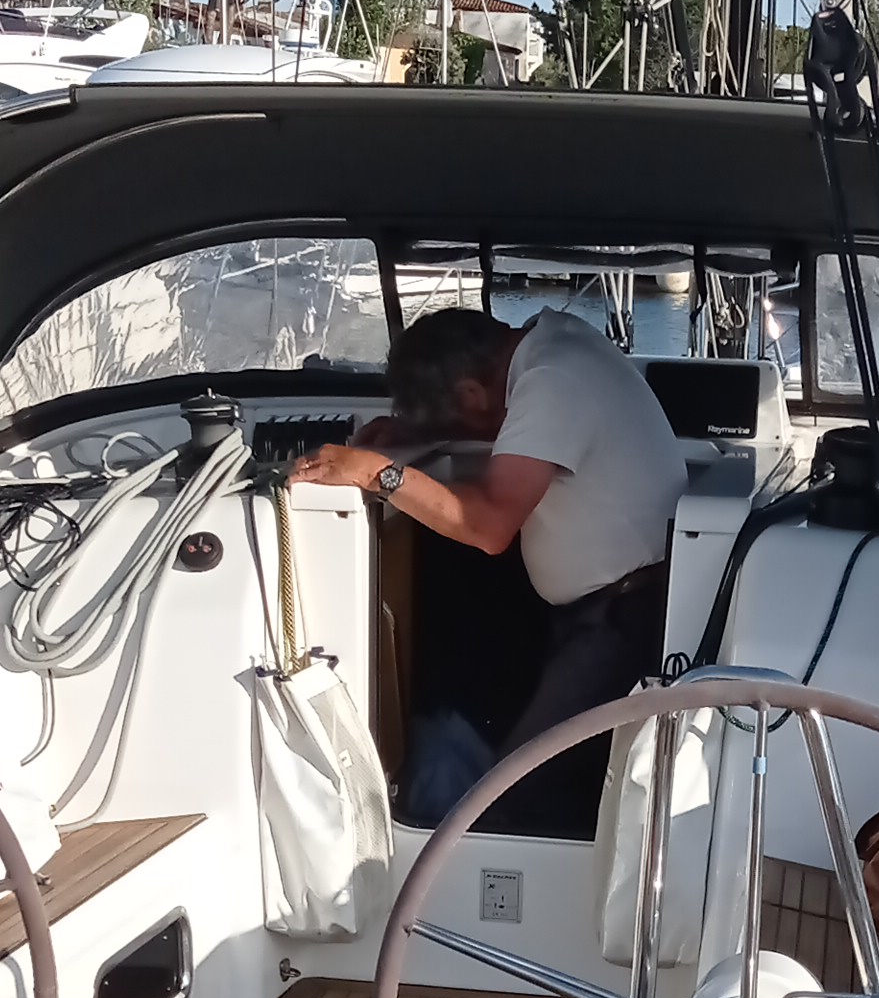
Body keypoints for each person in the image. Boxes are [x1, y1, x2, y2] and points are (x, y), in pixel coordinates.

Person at [292, 303, 686, 829]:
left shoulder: (551, 381)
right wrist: (409, 436)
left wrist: (377, 473)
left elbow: (489, 526)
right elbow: (516, 444)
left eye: (461, 419)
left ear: (472, 394)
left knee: (517, 799)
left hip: (620, 621)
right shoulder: (557, 344)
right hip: (610, 605)